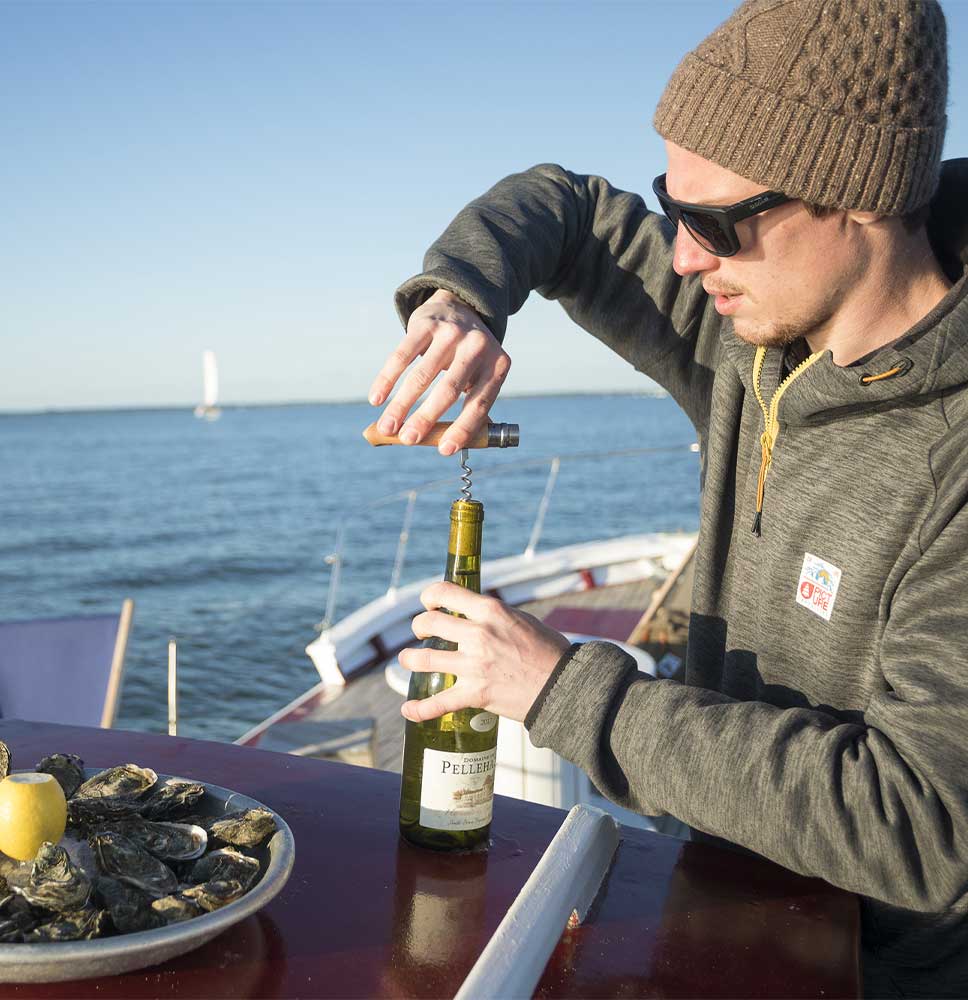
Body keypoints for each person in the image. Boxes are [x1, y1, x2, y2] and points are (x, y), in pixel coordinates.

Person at [369, 1, 967, 996]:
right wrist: (462, 298)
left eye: (716, 221)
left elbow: (920, 822)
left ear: (856, 198)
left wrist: (561, 691)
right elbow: (560, 207)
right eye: (670, 204)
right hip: (712, 908)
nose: (684, 255)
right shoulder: (747, 336)